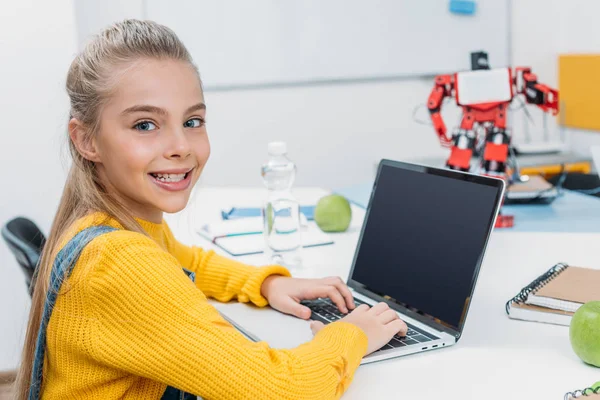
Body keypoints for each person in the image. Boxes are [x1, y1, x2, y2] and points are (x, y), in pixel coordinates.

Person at [15, 19, 407, 400]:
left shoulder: (116, 225)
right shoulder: (117, 263)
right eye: (145, 125)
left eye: (192, 120)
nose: (180, 146)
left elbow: (187, 262)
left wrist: (266, 284)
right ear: (87, 140)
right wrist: (354, 332)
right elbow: (283, 389)